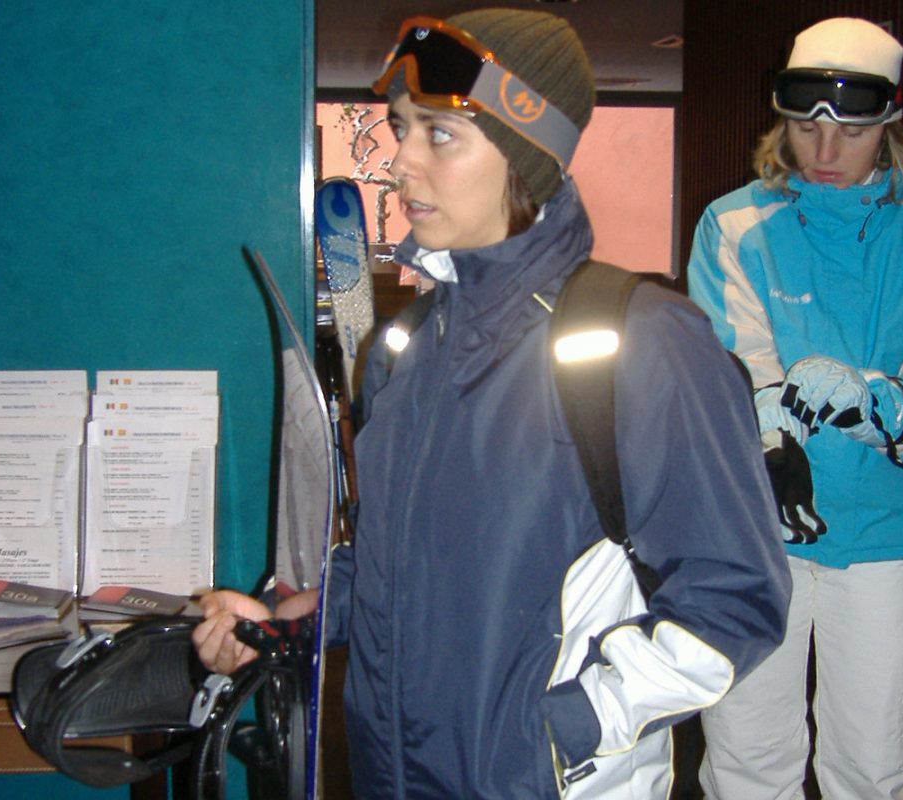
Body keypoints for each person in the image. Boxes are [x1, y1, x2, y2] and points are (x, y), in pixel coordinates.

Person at [196, 9, 790, 798]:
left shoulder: (645, 343)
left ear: (526, 154)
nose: (400, 162)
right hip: (394, 774)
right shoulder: (407, 350)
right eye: (400, 128)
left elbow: (736, 598)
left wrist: (563, 729)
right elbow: (398, 566)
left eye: (439, 134)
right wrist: (295, 617)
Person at [687, 17, 903, 800]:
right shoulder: (733, 224)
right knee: (747, 759)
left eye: (850, 133)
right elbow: (732, 367)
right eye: (804, 129)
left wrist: (874, 401)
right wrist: (770, 418)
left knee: (872, 766)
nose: (824, 151)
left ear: (889, 124)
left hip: (888, 532)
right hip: (758, 525)